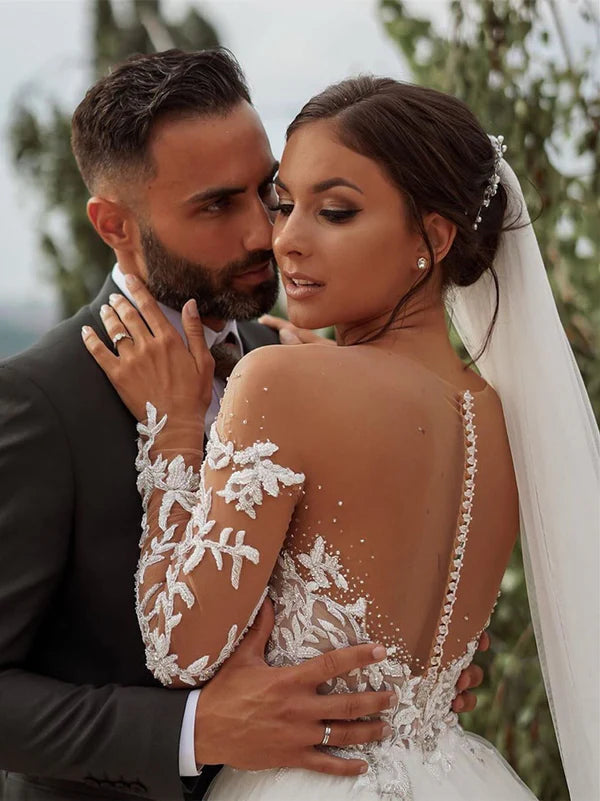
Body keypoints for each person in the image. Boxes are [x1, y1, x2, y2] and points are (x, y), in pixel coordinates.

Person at [84, 74, 599, 800]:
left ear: (434, 238)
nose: (284, 239)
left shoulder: (281, 382)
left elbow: (179, 648)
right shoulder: (499, 413)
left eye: (334, 212)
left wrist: (172, 433)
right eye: (284, 204)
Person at [0, 51, 484, 801]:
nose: (265, 233)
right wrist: (194, 730)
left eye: (267, 192)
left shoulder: (291, 360)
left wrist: (408, 663)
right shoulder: (41, 399)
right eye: (217, 206)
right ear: (116, 225)